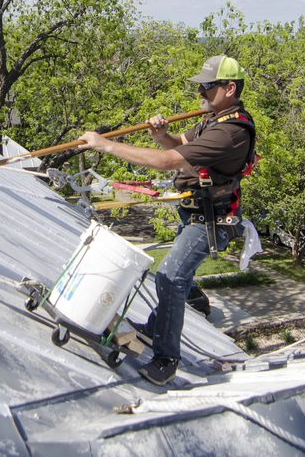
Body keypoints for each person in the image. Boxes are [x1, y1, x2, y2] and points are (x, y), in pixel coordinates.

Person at [80, 55, 255, 385]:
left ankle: (166, 358)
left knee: (171, 277)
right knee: (180, 277)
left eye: (207, 86)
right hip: (194, 212)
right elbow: (178, 147)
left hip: (211, 221)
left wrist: (106, 145)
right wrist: (162, 133)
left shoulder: (231, 132)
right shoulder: (215, 119)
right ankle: (157, 328)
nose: (200, 93)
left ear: (229, 88)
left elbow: (166, 162)